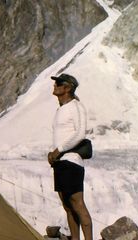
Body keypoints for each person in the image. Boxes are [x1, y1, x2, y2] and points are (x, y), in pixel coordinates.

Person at [48, 73, 93, 240]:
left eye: (58, 83)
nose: (55, 86)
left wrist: (58, 150)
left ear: (67, 88)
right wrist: (53, 152)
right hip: (60, 162)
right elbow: (60, 134)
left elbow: (80, 134)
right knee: (67, 206)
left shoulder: (76, 106)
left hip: (71, 161)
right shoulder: (60, 109)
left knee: (77, 204)